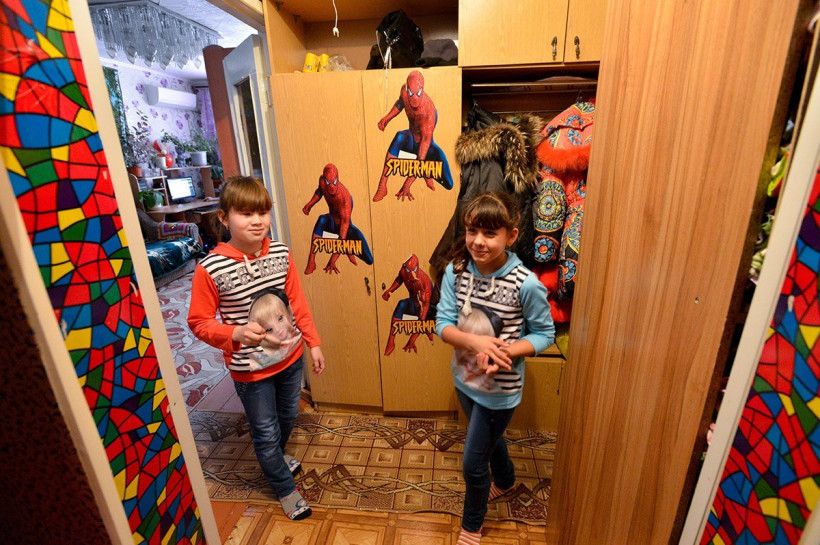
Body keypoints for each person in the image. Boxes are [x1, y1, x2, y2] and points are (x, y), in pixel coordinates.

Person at [188, 177, 326, 521]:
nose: (257, 221)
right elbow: (199, 322)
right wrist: (235, 332)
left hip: (291, 359)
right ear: (224, 217)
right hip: (251, 372)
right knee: (264, 431)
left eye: (263, 212)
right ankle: (284, 487)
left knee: (288, 416)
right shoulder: (210, 268)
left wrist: (313, 343)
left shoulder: (281, 253)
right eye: (246, 213)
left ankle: (276, 457)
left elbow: (297, 303)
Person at [436, 191, 555, 544]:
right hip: (463, 380)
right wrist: (475, 343)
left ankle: (472, 525)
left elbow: (544, 334)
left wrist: (507, 350)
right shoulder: (455, 272)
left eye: (490, 233)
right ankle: (505, 480)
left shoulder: (526, 283)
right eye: (472, 231)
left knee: (473, 465)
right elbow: (443, 324)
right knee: (489, 439)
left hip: (499, 391)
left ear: (511, 235)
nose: (478, 241)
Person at [373, 70, 454, 202]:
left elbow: (422, 153)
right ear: (407, 89)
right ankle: (382, 185)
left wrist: (407, 183)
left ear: (423, 90)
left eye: (418, 93)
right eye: (411, 93)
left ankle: (427, 172)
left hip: (427, 146)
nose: (414, 98)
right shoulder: (404, 92)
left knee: (449, 184)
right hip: (411, 139)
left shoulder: (428, 110)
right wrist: (386, 118)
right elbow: (400, 103)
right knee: (399, 137)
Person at [302, 163, 373, 274]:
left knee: (369, 260)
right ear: (324, 179)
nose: (331, 186)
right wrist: (310, 204)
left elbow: (342, 237)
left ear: (338, 179)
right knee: (321, 220)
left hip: (346, 229)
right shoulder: (322, 181)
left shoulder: (344, 197)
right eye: (328, 183)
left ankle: (349, 249)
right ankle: (311, 262)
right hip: (332, 222)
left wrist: (332, 260)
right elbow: (320, 191)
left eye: (334, 182)